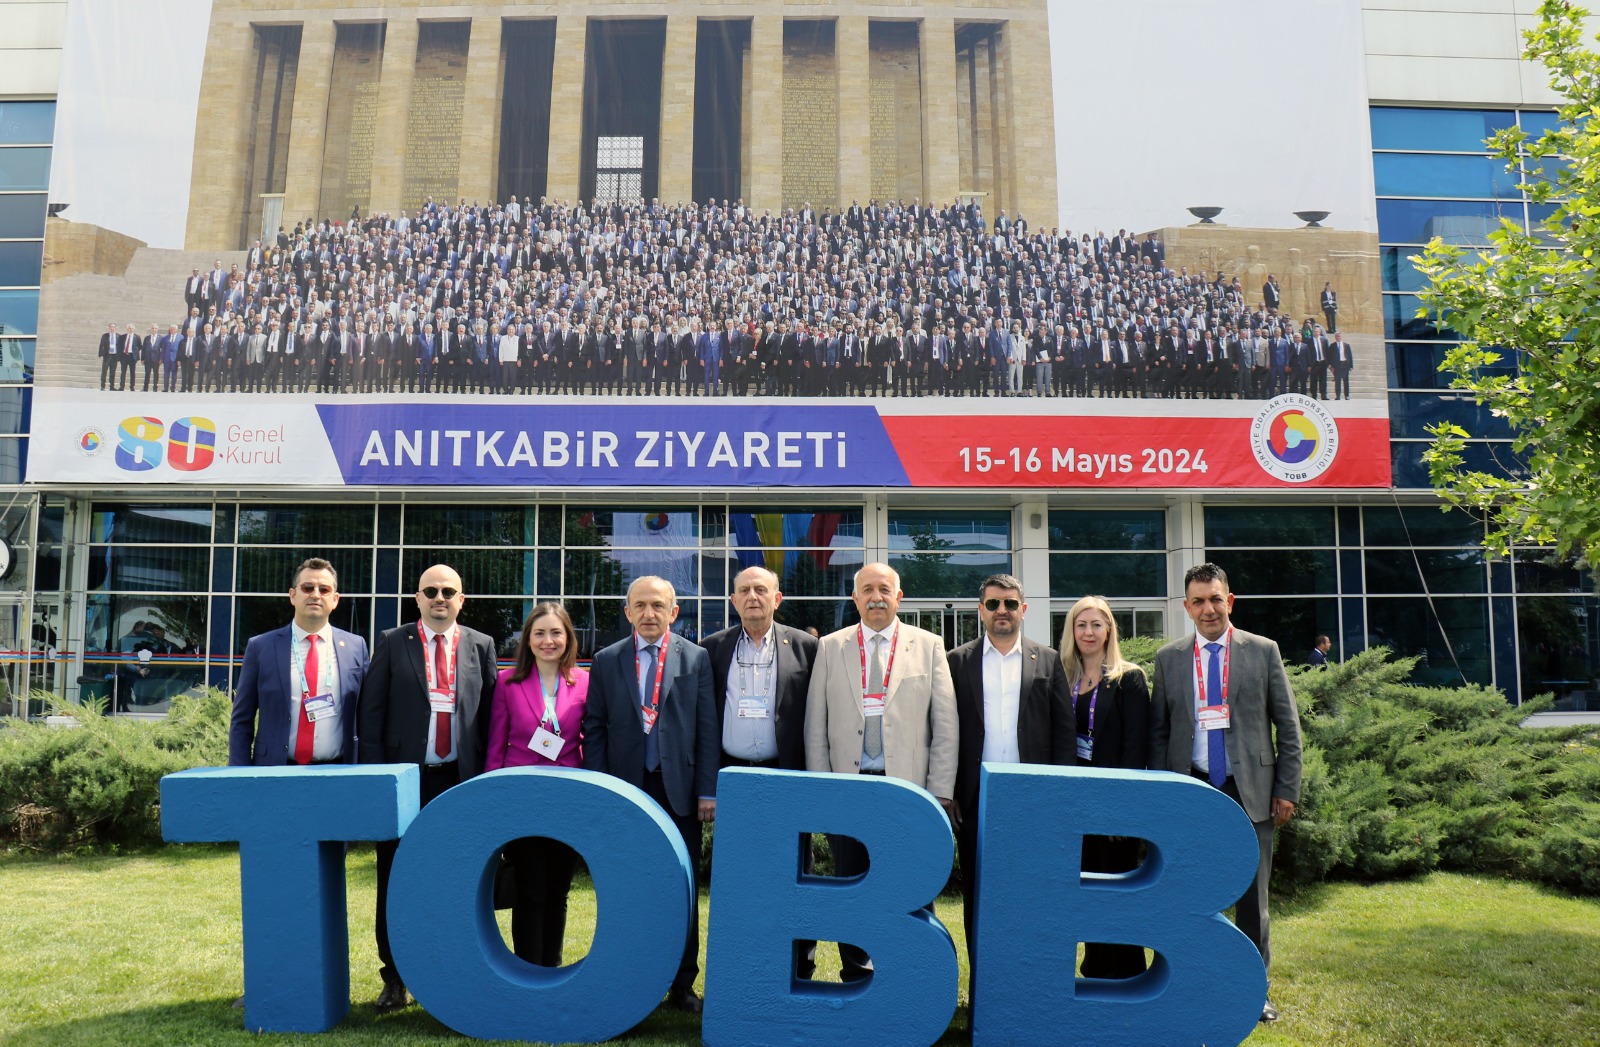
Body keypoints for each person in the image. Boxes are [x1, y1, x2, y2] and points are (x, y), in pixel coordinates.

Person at [1149, 563, 1303, 1024]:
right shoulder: (1170, 657)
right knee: (1183, 891)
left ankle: (1253, 991)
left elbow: (1288, 727)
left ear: (1229, 601)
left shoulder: (1263, 651)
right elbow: (1159, 733)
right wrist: (1162, 791)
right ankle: (1184, 982)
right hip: (1190, 787)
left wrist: (1286, 789)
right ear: (1186, 607)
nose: (1208, 608)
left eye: (1215, 599)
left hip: (1250, 789)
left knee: (1253, 899)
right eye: (1198, 601)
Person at [804, 562, 958, 982]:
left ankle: (910, 976)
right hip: (848, 791)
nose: (876, 597)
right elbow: (815, 725)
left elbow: (945, 725)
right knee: (850, 890)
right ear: (854, 598)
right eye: (867, 589)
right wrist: (823, 790)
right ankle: (857, 976)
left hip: (908, 794)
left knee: (912, 887)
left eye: (884, 589)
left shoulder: (928, 645)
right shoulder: (831, 647)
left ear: (899, 596)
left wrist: (940, 790)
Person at [357, 564, 500, 1014]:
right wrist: (379, 783)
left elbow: (495, 718)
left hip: (460, 780)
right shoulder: (392, 642)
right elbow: (371, 716)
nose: (440, 598)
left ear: (463, 599)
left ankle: (456, 971)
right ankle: (395, 977)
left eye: (448, 591)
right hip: (405, 780)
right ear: (417, 598)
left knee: (460, 877)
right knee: (395, 879)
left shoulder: (481, 645)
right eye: (430, 591)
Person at [582, 575, 717, 1014]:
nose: (648, 613)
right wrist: (601, 788)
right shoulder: (606, 660)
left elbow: (706, 731)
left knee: (682, 888)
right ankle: (630, 976)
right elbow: (595, 728)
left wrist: (707, 792)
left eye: (658, 605)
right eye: (640, 605)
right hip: (625, 789)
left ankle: (682, 983)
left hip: (678, 791)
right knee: (625, 886)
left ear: (674, 612)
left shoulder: (696, 659)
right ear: (627, 612)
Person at [947, 573, 1072, 1000]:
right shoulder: (956, 661)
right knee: (978, 898)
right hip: (974, 799)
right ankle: (984, 988)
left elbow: (1063, 735)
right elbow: (945, 732)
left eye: (1011, 604)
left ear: (1024, 608)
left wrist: (1059, 797)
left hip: (1032, 798)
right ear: (980, 609)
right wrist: (949, 793)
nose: (1003, 611)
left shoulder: (1048, 660)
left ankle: (1028, 988)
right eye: (994, 604)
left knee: (1032, 896)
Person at [701, 565, 819, 979]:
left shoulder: (806, 647)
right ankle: (739, 970)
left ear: (777, 598)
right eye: (744, 591)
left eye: (760, 589)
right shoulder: (711, 648)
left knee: (796, 878)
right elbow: (704, 722)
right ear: (733, 600)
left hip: (786, 776)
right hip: (733, 778)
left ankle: (800, 968)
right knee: (738, 881)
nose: (752, 596)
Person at [484, 602, 588, 967]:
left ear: (568, 638)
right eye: (539, 633)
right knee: (530, 890)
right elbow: (497, 743)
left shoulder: (585, 682)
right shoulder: (508, 683)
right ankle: (527, 969)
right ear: (527, 640)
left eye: (556, 633)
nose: (548, 641)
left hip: (569, 800)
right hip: (520, 798)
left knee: (557, 891)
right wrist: (492, 800)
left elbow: (590, 742)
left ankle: (551, 968)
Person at [1060, 595, 1149, 979]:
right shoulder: (1063, 676)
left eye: (1097, 624)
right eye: (1081, 625)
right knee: (1083, 895)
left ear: (1109, 629)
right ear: (1072, 631)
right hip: (1073, 804)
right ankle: (1094, 968)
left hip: (1112, 806)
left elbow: (1136, 748)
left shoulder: (1129, 678)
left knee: (1116, 894)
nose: (1089, 632)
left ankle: (1126, 974)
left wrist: (1124, 811)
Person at [228, 557, 368, 767]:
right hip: (276, 770)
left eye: (324, 590)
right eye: (308, 587)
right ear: (293, 595)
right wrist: (238, 775)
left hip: (339, 771)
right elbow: (242, 720)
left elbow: (367, 715)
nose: (315, 595)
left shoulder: (356, 647)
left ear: (336, 599)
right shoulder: (261, 647)